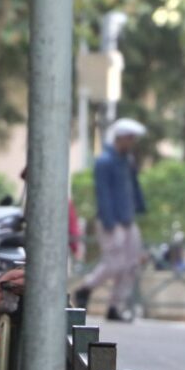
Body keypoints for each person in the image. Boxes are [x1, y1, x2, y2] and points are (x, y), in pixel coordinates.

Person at [73, 118, 147, 322]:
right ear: (121, 137)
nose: (132, 143)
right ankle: (86, 288)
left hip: (128, 219)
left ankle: (116, 306)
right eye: (130, 138)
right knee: (114, 263)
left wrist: (140, 207)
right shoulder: (104, 161)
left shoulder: (127, 160)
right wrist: (109, 222)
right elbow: (103, 193)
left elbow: (133, 185)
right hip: (111, 221)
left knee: (131, 264)